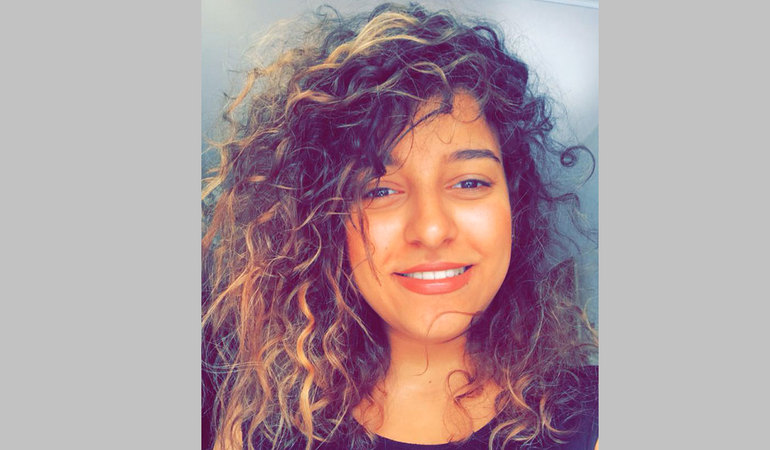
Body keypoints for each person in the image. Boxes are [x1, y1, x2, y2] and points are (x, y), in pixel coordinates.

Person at [202, 3, 597, 449]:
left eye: (469, 182)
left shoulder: (597, 414)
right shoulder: (260, 435)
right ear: (328, 226)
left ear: (514, 207)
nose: (431, 229)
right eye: (380, 190)